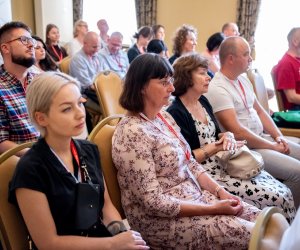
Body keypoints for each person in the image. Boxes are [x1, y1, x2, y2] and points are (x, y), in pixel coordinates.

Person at [112, 53, 260, 249]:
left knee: (260, 219)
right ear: (141, 87)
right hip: (161, 222)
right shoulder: (132, 133)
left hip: (194, 199)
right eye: (164, 82)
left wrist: (220, 192)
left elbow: (190, 161)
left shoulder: (163, 117)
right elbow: (153, 202)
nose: (172, 88)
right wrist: (212, 208)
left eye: (171, 80)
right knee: (253, 235)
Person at [8, 72, 149, 250]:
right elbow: (48, 243)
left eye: (80, 103)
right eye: (67, 109)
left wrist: (121, 235)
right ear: (41, 118)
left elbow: (106, 206)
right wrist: (113, 244)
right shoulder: (30, 169)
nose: (80, 114)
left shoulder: (88, 150)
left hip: (99, 240)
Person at [167, 52, 295, 221]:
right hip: (205, 175)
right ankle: (270, 240)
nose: (208, 77)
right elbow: (186, 158)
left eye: (207, 72)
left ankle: (283, 239)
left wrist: (226, 135)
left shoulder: (202, 101)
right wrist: (216, 146)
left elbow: (214, 134)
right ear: (186, 77)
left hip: (223, 163)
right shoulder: (176, 112)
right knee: (275, 197)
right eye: (202, 73)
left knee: (282, 190)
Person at [205, 36, 300, 208]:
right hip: (248, 147)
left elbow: (260, 111)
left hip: (262, 138)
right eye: (246, 54)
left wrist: (279, 137)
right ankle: (288, 224)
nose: (251, 58)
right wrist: (272, 146)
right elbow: (237, 131)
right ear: (231, 59)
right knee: (298, 173)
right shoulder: (218, 87)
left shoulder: (242, 79)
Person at [0, 21, 39, 155]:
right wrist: (38, 156)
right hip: (23, 164)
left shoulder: (39, 79)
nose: (31, 45)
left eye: (31, 41)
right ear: (5, 48)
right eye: (24, 40)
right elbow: (1, 142)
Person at [69, 31, 104, 104]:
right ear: (85, 44)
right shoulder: (78, 59)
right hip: (84, 94)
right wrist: (105, 90)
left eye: (98, 46)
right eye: (94, 47)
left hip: (98, 89)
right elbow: (87, 85)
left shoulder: (97, 56)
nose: (97, 49)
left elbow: (103, 75)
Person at [273, 27, 300, 110]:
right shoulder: (286, 64)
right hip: (296, 110)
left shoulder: (297, 60)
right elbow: (291, 97)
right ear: (295, 42)